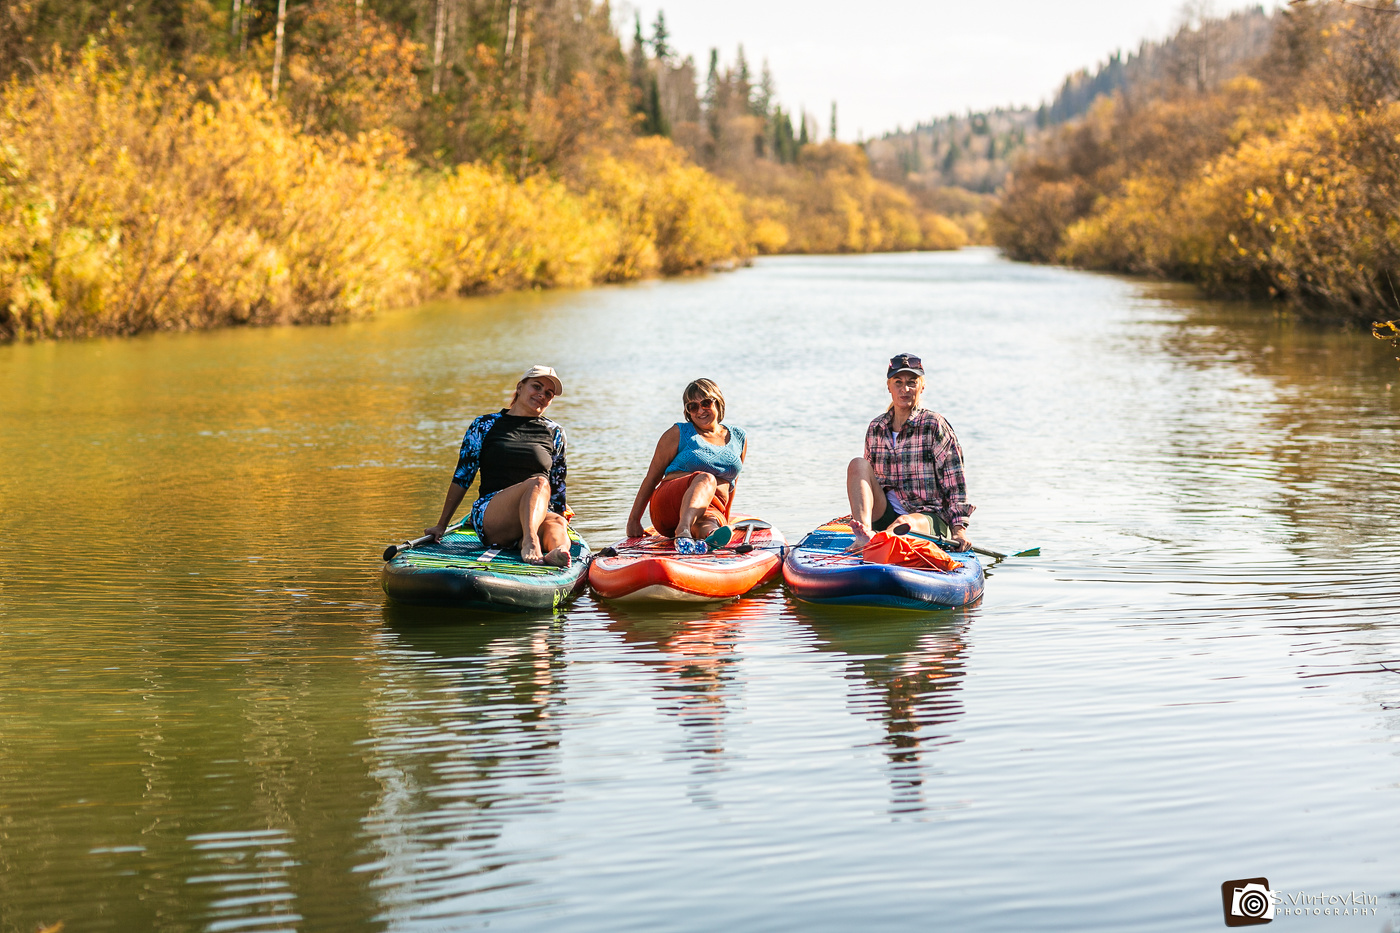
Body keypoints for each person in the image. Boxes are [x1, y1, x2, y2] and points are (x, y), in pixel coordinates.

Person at [425, 365, 572, 567]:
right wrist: (441, 525)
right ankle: (530, 542)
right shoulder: (483, 425)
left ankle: (559, 552)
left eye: (548, 393)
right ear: (520, 387)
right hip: (492, 515)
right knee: (538, 482)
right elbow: (462, 477)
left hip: (536, 512)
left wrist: (561, 516)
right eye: (536, 387)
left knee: (556, 522)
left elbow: (558, 484)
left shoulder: (555, 432)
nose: (542, 395)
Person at [848, 352, 974, 551]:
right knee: (857, 464)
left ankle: (882, 540)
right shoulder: (876, 427)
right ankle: (864, 534)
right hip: (885, 513)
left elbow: (955, 483)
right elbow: (868, 485)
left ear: (921, 387)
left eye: (912, 383)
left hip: (927, 519)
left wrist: (959, 530)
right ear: (889, 387)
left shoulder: (934, 424)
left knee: (904, 522)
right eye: (898, 382)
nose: (904, 389)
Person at [626, 378, 747, 553]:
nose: (700, 410)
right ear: (687, 411)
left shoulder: (738, 437)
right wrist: (633, 520)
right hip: (669, 506)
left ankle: (708, 536)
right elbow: (652, 478)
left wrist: (725, 518)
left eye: (706, 403)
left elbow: (732, 483)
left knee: (710, 525)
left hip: (709, 508)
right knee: (706, 479)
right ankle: (683, 530)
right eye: (693, 406)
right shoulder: (678, 433)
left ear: (718, 402)